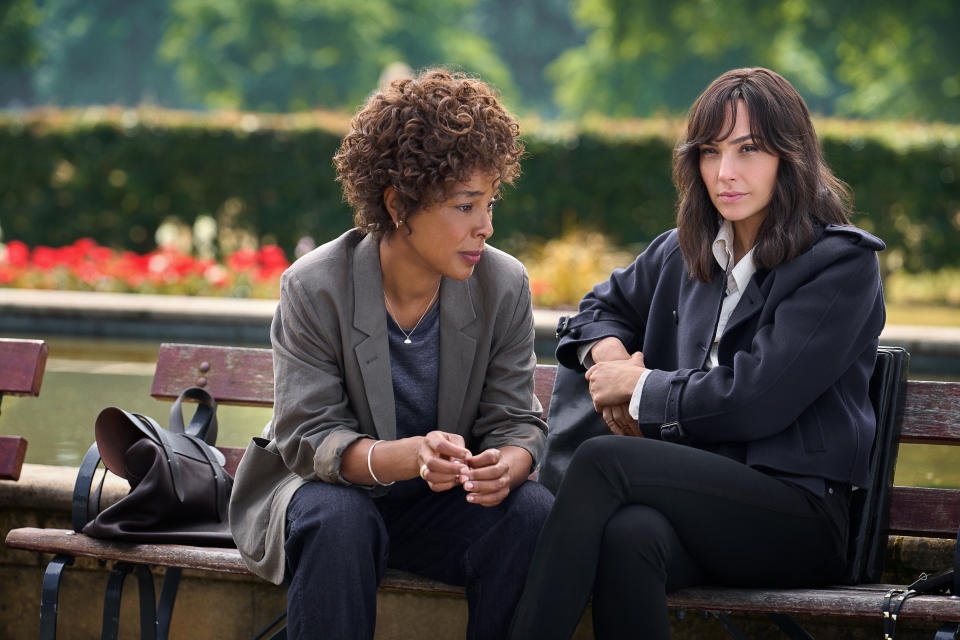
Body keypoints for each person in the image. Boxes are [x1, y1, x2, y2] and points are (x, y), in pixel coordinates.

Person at [509, 67, 886, 639]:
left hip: (796, 515)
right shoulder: (684, 253)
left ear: (791, 156)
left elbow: (755, 400)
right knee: (630, 535)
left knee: (602, 459)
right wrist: (608, 359)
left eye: (749, 150)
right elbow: (590, 314)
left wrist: (637, 390)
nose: (725, 173)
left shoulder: (840, 266)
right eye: (710, 152)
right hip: (698, 500)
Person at [228, 68, 553, 640]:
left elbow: (516, 418)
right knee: (341, 520)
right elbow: (309, 435)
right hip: (326, 497)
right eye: (465, 205)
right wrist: (407, 457)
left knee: (531, 512)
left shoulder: (503, 284)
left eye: (490, 202)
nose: (486, 225)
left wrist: (509, 464)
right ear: (399, 202)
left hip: (436, 510)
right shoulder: (315, 286)